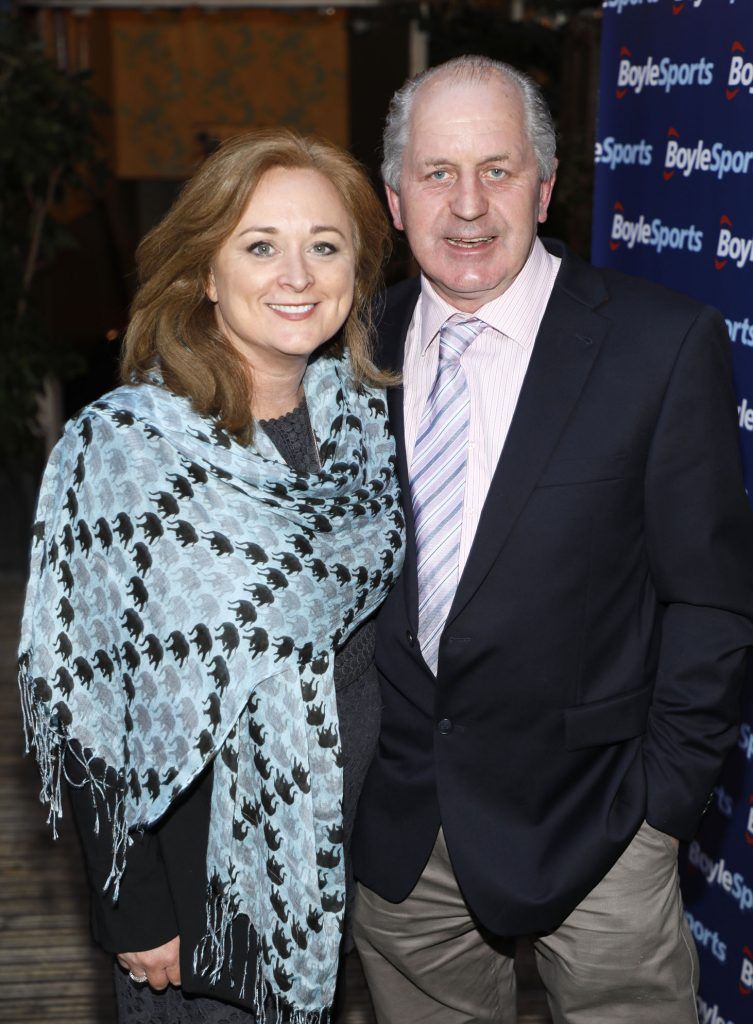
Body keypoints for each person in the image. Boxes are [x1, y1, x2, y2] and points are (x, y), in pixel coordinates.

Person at [351, 54, 753, 1024]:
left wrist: (661, 809)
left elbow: (711, 597)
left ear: (547, 181)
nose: (469, 205)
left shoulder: (659, 345)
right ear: (396, 198)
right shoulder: (348, 350)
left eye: (498, 168)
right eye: (438, 173)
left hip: (601, 823)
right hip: (403, 836)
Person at [18, 127, 405, 1024]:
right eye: (260, 245)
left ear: (358, 269)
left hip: (336, 856)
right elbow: (78, 691)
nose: (297, 274)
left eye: (325, 245)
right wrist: (133, 907)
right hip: (199, 897)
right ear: (204, 271)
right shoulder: (127, 450)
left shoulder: (368, 431)